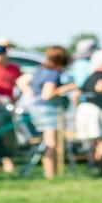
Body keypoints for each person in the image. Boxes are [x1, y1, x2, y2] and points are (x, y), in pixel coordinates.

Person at [15, 45, 77, 179]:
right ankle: (51, 175)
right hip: (48, 109)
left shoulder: (38, 69)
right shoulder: (53, 73)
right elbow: (47, 95)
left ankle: (52, 173)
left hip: (36, 108)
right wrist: (68, 87)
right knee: (51, 143)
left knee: (48, 142)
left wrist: (30, 94)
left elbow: (21, 81)